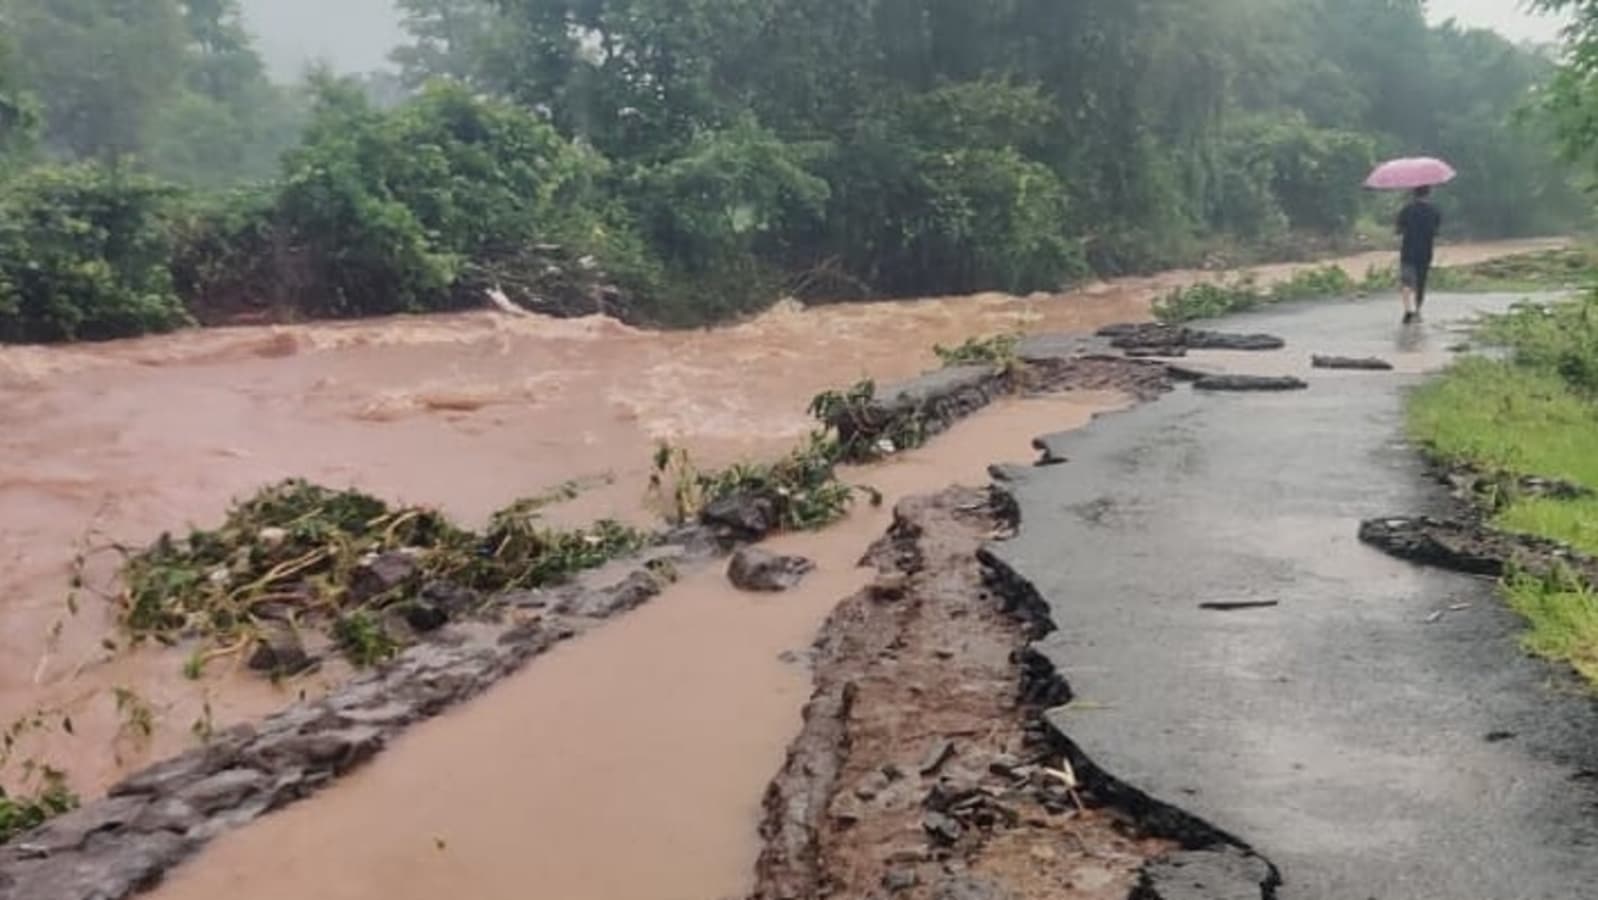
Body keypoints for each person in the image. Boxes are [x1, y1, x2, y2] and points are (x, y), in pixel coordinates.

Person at [1395, 186, 1442, 324]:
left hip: (1408, 250)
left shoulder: (1406, 210)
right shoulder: (1434, 211)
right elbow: (1436, 232)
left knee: (1406, 281)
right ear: (1429, 193)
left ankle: (1407, 309)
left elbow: (1398, 230)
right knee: (1421, 282)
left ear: (1413, 194)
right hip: (1425, 251)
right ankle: (1418, 310)